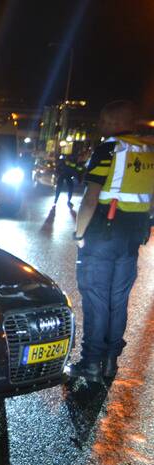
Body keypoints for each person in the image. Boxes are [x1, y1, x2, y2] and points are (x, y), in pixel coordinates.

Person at [67, 100, 154, 382]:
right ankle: (109, 362)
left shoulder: (109, 149)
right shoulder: (147, 152)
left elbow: (90, 197)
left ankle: (91, 364)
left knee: (96, 300)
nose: (100, 126)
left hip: (102, 235)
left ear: (116, 122)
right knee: (118, 301)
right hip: (131, 239)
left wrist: (79, 233)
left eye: (104, 121)